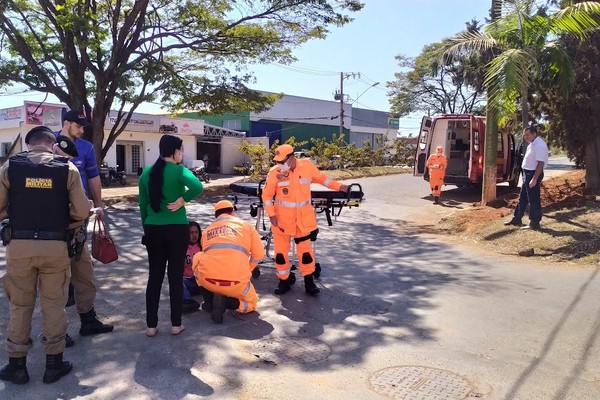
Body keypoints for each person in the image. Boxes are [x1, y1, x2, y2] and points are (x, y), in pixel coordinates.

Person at [0, 126, 90, 384]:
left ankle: (17, 366)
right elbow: (82, 211)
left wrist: (12, 217)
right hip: (55, 247)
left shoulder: (10, 167)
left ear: (29, 145)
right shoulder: (67, 168)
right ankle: (54, 365)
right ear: (52, 145)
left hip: (19, 246)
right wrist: (64, 220)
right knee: (54, 306)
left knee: (19, 305)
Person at [57, 110, 113, 347]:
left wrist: (99, 206)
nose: (81, 130)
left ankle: (88, 319)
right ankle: (57, 330)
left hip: (79, 218)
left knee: (84, 269)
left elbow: (93, 177)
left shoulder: (87, 148)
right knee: (57, 275)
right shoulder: (48, 142)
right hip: (53, 222)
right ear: (66, 124)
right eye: (78, 126)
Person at [261, 144, 348, 297]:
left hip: (303, 222)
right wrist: (271, 215)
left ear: (291, 157)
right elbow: (266, 196)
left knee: (306, 253)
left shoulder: (306, 166)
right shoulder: (275, 172)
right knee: (280, 254)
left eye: (282, 161)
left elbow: (322, 179)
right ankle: (284, 280)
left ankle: (309, 281)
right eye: (277, 162)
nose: (279, 164)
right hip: (281, 222)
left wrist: (340, 187)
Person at [138, 134, 203, 337]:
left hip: (153, 229)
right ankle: (176, 324)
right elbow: (198, 186)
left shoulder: (147, 173)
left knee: (154, 277)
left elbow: (143, 206)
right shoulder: (179, 171)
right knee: (175, 277)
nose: (182, 154)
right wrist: (183, 200)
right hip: (176, 230)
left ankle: (151, 326)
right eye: (181, 150)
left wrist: (147, 228)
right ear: (174, 151)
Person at [192, 200, 264, 323]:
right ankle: (226, 302)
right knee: (251, 303)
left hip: (208, 281)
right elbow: (259, 254)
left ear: (216, 215)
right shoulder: (246, 226)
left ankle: (209, 301)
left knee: (198, 257)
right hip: (236, 283)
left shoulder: (207, 231)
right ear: (233, 212)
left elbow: (207, 257)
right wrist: (248, 269)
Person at [504, 126, 549, 230]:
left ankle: (534, 223)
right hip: (527, 173)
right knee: (522, 197)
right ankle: (517, 218)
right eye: (524, 135)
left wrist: (534, 179)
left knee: (533, 199)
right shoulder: (532, 144)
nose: (525, 137)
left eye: (527, 135)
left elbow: (540, 163)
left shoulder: (539, 145)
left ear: (534, 134)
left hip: (533, 174)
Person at [182, 221, 203, 313]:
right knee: (177, 283)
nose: (194, 235)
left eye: (196, 232)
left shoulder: (203, 247)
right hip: (187, 282)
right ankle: (187, 302)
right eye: (191, 233)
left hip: (201, 281)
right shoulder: (182, 248)